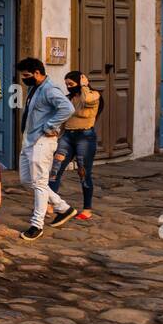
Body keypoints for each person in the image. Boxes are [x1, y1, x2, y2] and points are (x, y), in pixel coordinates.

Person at [16, 57, 77, 239]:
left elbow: (67, 108)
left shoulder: (49, 90)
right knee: (27, 181)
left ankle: (37, 225)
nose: (24, 79)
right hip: (30, 141)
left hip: (42, 141)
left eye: (26, 75)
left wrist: (50, 126)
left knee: (40, 183)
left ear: (37, 73)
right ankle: (62, 208)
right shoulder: (35, 89)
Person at [53, 70, 100, 221]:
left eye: (71, 84)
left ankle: (87, 209)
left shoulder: (94, 95)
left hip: (85, 137)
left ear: (80, 82)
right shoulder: (69, 98)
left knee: (83, 173)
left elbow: (86, 101)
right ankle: (50, 203)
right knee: (55, 170)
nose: (68, 87)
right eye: (66, 84)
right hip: (67, 137)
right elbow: (63, 117)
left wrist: (85, 86)